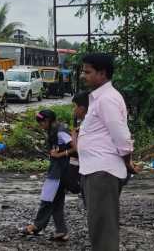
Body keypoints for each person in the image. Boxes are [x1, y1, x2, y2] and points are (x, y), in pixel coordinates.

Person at [78, 53, 136, 251]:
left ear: (102, 73)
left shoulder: (107, 99)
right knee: (98, 225)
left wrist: (127, 162)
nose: (82, 75)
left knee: (103, 228)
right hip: (94, 170)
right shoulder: (99, 98)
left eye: (87, 72)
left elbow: (122, 136)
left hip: (102, 171)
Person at [22, 109, 73, 242]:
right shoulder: (54, 130)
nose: (41, 126)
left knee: (47, 198)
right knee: (56, 201)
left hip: (60, 170)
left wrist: (60, 154)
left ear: (47, 121)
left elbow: (76, 147)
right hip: (58, 169)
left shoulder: (60, 131)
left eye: (41, 123)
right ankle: (61, 231)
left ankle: (37, 226)